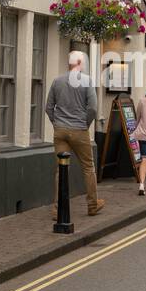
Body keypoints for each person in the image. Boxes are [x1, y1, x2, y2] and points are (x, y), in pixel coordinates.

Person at [45, 51, 105, 217]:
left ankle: (57, 210)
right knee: (88, 167)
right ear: (78, 62)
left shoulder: (57, 81)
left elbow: (48, 107)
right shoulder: (87, 81)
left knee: (61, 169)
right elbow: (92, 108)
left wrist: (57, 124)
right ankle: (93, 204)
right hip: (79, 129)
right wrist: (85, 124)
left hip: (60, 131)